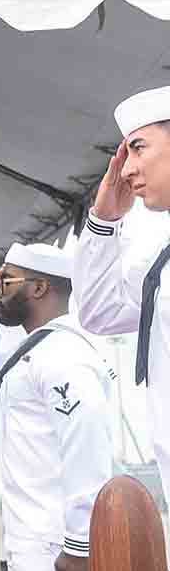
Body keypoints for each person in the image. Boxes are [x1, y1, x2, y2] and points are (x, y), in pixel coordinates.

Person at [0, 243, 114, 571]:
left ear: (39, 287)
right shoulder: (32, 351)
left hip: (55, 546)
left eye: (6, 281)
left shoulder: (62, 354)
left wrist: (80, 545)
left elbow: (86, 447)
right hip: (31, 541)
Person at [73, 85, 170, 518]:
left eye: (138, 148)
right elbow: (97, 312)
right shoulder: (159, 263)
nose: (125, 170)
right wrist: (104, 221)